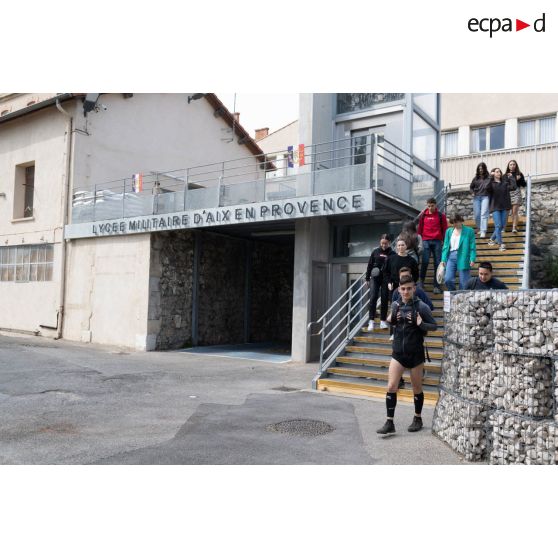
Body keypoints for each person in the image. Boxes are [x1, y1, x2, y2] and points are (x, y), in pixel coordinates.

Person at [376, 274, 438, 436]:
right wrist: (390, 320)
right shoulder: (395, 305)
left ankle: (418, 418)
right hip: (398, 353)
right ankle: (389, 422)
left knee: (416, 388)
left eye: (409, 288)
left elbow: (434, 326)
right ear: (399, 289)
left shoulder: (422, 306)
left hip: (415, 353)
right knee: (391, 386)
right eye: (403, 289)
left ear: (414, 289)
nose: (405, 291)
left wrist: (421, 324)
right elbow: (392, 322)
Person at [417, 197, 448, 294]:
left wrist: (444, 240)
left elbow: (445, 229)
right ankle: (421, 282)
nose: (430, 208)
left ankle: (437, 285)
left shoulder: (440, 215)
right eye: (429, 206)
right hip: (426, 240)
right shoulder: (423, 215)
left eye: (432, 206)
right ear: (427, 205)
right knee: (425, 261)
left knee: (437, 263)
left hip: (437, 241)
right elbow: (420, 229)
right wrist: (420, 241)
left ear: (436, 205)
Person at [441, 213, 476, 291]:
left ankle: (461, 298)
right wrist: (443, 259)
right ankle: (454, 294)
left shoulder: (469, 231)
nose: (454, 224)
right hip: (451, 257)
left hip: (464, 256)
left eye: (456, 222)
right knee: (448, 279)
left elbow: (472, 246)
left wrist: (472, 258)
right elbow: (445, 246)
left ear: (460, 220)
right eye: (453, 222)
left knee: (464, 283)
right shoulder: (449, 231)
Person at [365, 234, 393, 331]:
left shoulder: (392, 253)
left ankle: (382, 321)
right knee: (373, 297)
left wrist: (391, 281)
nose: (383, 245)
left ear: (389, 243)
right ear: (379, 242)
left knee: (385, 299)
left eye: (385, 243)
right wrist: (367, 278)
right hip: (375, 277)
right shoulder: (375, 252)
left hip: (386, 278)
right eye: (382, 243)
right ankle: (371, 321)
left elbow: (392, 268)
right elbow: (370, 265)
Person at [488, 167, 512, 251]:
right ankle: (500, 244)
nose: (499, 173)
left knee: (501, 226)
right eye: (497, 172)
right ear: (493, 173)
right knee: (498, 225)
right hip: (495, 207)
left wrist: (511, 177)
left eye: (500, 172)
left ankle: (491, 239)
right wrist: (490, 177)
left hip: (504, 206)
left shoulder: (504, 183)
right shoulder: (490, 183)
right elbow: (486, 188)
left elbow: (513, 187)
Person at [470, 162, 492, 238]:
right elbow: (471, 187)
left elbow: (492, 187)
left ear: (484, 169)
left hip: (485, 197)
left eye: (482, 168)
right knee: (477, 215)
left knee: (483, 214)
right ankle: (479, 228)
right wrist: (472, 193)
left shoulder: (489, 178)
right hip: (476, 197)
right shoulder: (475, 178)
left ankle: (483, 231)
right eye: (479, 169)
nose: (480, 170)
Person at [505, 160, 526, 234]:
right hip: (508, 194)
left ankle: (514, 227)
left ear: (516, 165)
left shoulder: (519, 174)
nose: (512, 166)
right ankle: (503, 228)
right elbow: (505, 185)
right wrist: (514, 179)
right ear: (508, 166)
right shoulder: (505, 175)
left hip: (516, 193)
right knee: (506, 212)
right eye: (510, 164)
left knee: (514, 212)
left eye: (514, 164)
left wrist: (519, 179)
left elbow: (524, 184)